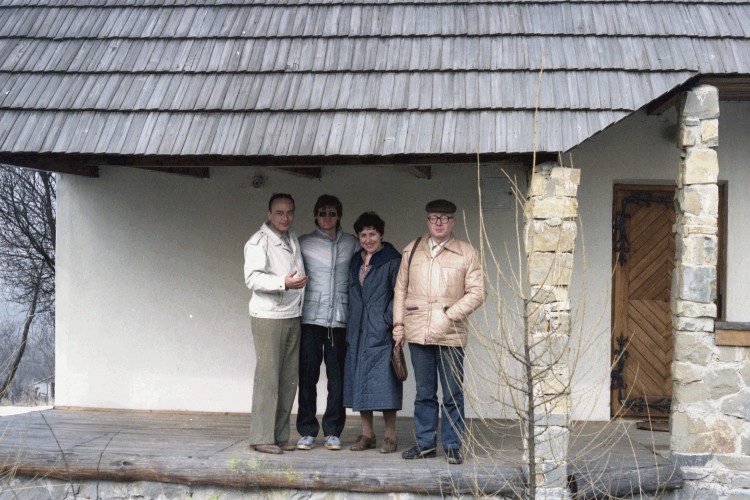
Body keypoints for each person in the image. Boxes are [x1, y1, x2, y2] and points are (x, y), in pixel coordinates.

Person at [393, 199, 485, 465]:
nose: (439, 223)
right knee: (424, 392)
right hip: (418, 332)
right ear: (427, 221)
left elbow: (478, 292)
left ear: (453, 222)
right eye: (434, 218)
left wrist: (449, 315)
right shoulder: (411, 251)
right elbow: (400, 290)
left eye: (444, 218)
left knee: (453, 392)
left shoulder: (467, 253)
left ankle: (453, 445)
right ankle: (425, 444)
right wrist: (399, 325)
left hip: (450, 333)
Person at [243, 193, 308, 455]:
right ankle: (261, 437)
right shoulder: (258, 242)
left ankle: (279, 436)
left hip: (291, 314)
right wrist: (283, 283)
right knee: (268, 378)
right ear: (269, 214)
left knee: (288, 379)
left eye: (290, 212)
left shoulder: (291, 238)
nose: (285, 217)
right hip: (269, 316)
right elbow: (253, 279)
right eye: (279, 212)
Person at [296, 195, 358, 451]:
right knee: (307, 377)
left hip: (339, 321)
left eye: (332, 213)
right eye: (323, 213)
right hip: (311, 318)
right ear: (316, 216)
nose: (327, 218)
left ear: (339, 216)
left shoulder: (352, 244)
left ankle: (333, 431)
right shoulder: (304, 243)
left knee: (337, 379)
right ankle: (308, 431)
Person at [344, 212, 403, 454]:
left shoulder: (392, 259)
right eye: (363, 235)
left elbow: (399, 294)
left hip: (382, 329)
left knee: (386, 381)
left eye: (372, 234)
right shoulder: (355, 260)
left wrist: (387, 321)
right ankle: (367, 433)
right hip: (358, 328)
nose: (368, 239)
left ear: (381, 234)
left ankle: (390, 436)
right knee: (361, 381)